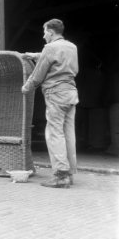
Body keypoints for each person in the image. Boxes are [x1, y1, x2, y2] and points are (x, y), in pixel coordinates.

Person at [21, 19, 79, 188]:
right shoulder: (72, 46)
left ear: (51, 32)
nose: (43, 34)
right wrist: (36, 55)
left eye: (45, 31)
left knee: (54, 133)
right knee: (68, 133)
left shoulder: (50, 48)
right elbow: (58, 59)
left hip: (55, 93)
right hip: (71, 93)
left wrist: (26, 87)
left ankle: (60, 175)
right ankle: (69, 173)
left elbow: (38, 74)